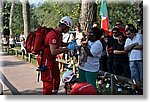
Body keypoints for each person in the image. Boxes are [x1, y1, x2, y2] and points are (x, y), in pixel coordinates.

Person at [37, 16, 78, 95]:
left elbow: (59, 44)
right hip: (46, 62)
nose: (68, 30)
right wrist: (68, 48)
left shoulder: (58, 34)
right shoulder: (53, 35)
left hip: (52, 61)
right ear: (63, 26)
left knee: (56, 80)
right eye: (68, 28)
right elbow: (53, 51)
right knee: (48, 83)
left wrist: (69, 44)